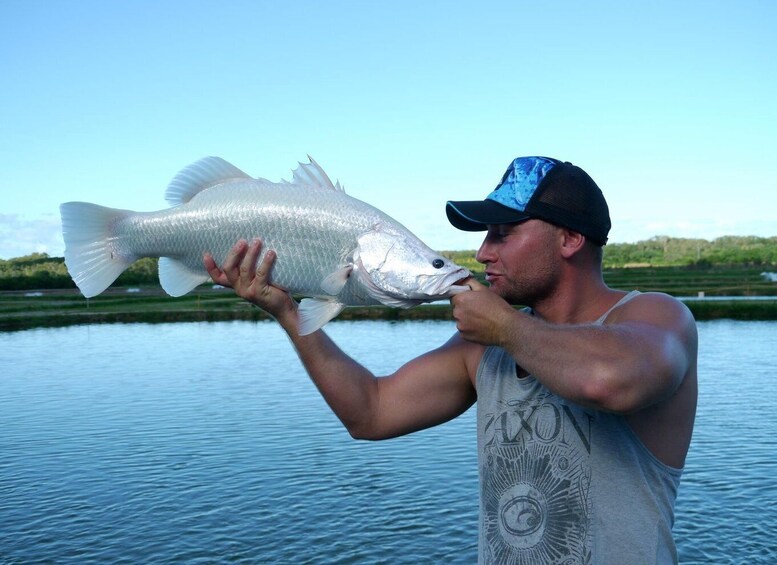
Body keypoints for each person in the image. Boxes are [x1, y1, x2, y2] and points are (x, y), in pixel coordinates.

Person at [204, 156, 698, 564]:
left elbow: (609, 380)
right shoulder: (484, 350)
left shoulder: (655, 316)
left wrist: (504, 325)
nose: (482, 253)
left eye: (502, 233)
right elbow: (370, 412)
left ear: (569, 238)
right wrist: (288, 312)